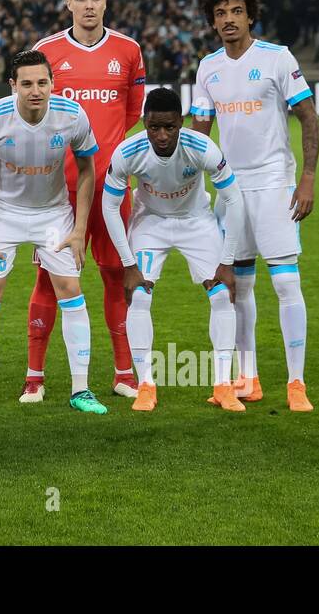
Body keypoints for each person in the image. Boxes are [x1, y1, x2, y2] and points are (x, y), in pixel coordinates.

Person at [189, 0, 319, 412]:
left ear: (250, 16)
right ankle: (249, 378)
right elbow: (199, 132)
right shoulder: (208, 67)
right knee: (236, 288)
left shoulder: (277, 58)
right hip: (231, 189)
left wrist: (307, 179)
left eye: (236, 11)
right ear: (213, 22)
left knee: (285, 282)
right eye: (220, 13)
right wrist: (189, 183)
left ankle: (296, 382)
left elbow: (309, 118)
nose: (228, 19)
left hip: (273, 184)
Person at [0, 49, 108, 418]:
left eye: (42, 82)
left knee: (71, 290)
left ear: (52, 83)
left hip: (52, 214)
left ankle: (81, 389)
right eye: (26, 83)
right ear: (13, 86)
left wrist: (79, 229)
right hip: (3, 214)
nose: (35, 90)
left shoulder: (72, 115)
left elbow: (88, 170)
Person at [26, 0, 146, 402]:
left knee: (117, 276)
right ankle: (34, 378)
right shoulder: (47, 51)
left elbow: (132, 112)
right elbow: (34, 107)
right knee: (50, 278)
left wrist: (106, 149)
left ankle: (123, 374)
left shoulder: (129, 51)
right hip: (59, 190)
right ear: (69, 4)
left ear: (106, 2)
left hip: (112, 187)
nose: (90, 5)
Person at [100, 87, 247, 412]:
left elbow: (235, 199)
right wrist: (128, 264)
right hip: (150, 221)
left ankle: (224, 386)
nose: (162, 135)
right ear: (144, 122)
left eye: (169, 126)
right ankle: (146, 386)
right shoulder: (128, 152)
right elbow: (109, 207)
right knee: (139, 295)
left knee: (222, 294)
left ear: (181, 122)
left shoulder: (202, 147)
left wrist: (227, 261)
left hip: (196, 220)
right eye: (154, 127)